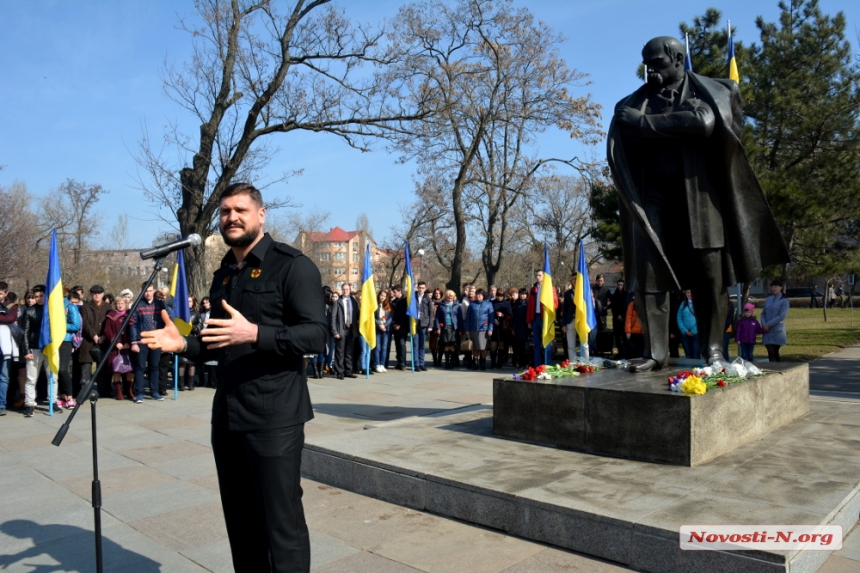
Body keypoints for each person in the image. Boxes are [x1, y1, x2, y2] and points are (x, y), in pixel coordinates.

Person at [140, 182, 327, 573]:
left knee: (282, 525)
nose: (232, 217)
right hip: (228, 416)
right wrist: (183, 345)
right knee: (241, 526)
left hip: (274, 417)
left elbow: (316, 335)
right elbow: (216, 342)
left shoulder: (293, 265)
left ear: (261, 214)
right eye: (225, 212)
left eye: (240, 210)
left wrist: (256, 333)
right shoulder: (224, 273)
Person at [608, 36, 789, 372]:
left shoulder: (707, 93)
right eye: (647, 64)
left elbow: (703, 123)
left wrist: (645, 124)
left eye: (658, 62)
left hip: (701, 198)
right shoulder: (634, 102)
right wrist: (669, 125)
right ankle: (655, 353)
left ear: (678, 58)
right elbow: (629, 133)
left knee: (710, 276)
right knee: (648, 273)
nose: (651, 70)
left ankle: (713, 350)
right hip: (653, 198)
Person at [129, 283, 168, 403]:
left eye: (150, 291)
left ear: (153, 290)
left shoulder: (159, 304)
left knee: (154, 366)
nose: (148, 293)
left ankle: (154, 392)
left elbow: (166, 320)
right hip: (141, 340)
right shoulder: (137, 305)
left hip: (156, 340)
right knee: (140, 367)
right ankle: (139, 393)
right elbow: (132, 324)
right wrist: (134, 342)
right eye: (146, 291)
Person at [18, 285, 48, 417]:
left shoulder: (52, 309)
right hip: (34, 347)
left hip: (50, 347)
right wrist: (26, 350)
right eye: (36, 296)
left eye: (42, 295)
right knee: (31, 378)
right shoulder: (29, 311)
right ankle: (29, 404)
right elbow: (25, 332)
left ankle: (53, 401)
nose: (39, 298)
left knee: (53, 377)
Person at [79, 285, 109, 398]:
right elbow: (85, 323)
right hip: (88, 341)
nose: (97, 295)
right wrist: (94, 336)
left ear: (102, 294)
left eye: (99, 293)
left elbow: (109, 323)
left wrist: (104, 336)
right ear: (91, 294)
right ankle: (85, 393)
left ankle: (104, 390)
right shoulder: (85, 307)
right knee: (86, 368)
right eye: (94, 293)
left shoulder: (108, 307)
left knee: (103, 367)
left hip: (104, 341)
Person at [103, 296, 134, 400]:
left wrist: (129, 342)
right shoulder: (111, 316)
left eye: (122, 303)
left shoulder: (130, 314)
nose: (120, 305)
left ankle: (129, 391)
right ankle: (118, 391)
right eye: (118, 303)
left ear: (125, 304)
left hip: (128, 346)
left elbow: (133, 328)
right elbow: (107, 331)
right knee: (117, 369)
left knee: (130, 369)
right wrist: (116, 342)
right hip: (115, 347)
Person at [526, 270, 558, 367]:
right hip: (535, 318)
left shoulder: (550, 288)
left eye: (540, 275)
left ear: (544, 276)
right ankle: (537, 366)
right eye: (536, 275)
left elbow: (555, 304)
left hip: (545, 318)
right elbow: (530, 306)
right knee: (536, 344)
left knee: (546, 343)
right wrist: (529, 321)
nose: (537, 277)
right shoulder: (533, 289)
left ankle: (547, 365)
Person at [330, 283, 359, 379]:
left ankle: (348, 371)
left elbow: (357, 316)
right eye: (343, 289)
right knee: (340, 352)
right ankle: (340, 372)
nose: (345, 291)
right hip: (341, 330)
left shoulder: (354, 302)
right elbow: (333, 318)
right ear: (341, 290)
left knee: (349, 351)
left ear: (350, 290)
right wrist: (335, 331)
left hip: (351, 329)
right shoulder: (337, 302)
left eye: (347, 289)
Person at [465, 288, 493, 370]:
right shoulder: (472, 304)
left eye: (480, 295)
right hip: (473, 329)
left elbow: (491, 317)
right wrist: (467, 329)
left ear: (483, 296)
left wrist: (490, 329)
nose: (478, 296)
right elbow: (468, 317)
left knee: (483, 347)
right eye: (477, 294)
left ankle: (483, 363)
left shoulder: (488, 304)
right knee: (475, 348)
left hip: (484, 329)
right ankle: (475, 363)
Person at [761, 280, 789, 362]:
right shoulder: (768, 299)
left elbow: (782, 316)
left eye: (776, 287)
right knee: (770, 351)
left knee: (775, 352)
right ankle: (772, 369)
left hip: (777, 330)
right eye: (772, 287)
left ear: (781, 287)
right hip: (767, 331)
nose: (774, 288)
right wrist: (763, 324)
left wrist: (768, 324)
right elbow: (763, 313)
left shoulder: (784, 300)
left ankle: (777, 369)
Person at [178, 295, 201, 391]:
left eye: (190, 301)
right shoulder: (180, 314)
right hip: (182, 339)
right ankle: (181, 384)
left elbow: (200, 327)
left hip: (192, 340)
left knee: (191, 363)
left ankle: (191, 383)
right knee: (182, 363)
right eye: (187, 301)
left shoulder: (197, 314)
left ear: (193, 303)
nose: (188, 303)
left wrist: (192, 327)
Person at [435, 290, 461, 369]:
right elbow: (437, 317)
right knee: (446, 345)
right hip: (445, 327)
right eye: (448, 298)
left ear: (454, 298)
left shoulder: (457, 305)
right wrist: (438, 328)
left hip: (454, 327)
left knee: (452, 345)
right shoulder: (441, 305)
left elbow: (459, 317)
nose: (450, 299)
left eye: (451, 298)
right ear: (445, 297)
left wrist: (460, 329)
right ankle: (446, 362)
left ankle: (452, 362)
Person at [413, 281, 434, 371]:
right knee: (415, 345)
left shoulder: (427, 298)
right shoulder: (412, 297)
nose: (421, 289)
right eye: (419, 287)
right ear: (417, 288)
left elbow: (431, 313)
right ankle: (416, 364)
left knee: (422, 345)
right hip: (414, 323)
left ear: (425, 288)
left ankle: (422, 363)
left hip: (424, 324)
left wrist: (430, 326)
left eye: (422, 288)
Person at [489, 289, 512, 368]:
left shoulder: (506, 303)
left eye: (501, 296)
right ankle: (493, 362)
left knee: (501, 345)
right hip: (494, 325)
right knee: (493, 344)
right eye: (498, 296)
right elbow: (489, 313)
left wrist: (503, 315)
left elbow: (510, 315)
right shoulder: (492, 303)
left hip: (503, 326)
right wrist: (494, 319)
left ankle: (499, 363)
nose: (499, 298)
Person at [390, 285, 408, 370]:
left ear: (400, 291)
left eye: (395, 292)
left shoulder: (405, 301)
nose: (393, 293)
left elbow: (405, 315)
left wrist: (400, 325)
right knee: (397, 345)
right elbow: (393, 314)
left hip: (402, 327)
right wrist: (394, 324)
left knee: (402, 344)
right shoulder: (394, 301)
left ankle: (403, 363)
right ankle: (399, 362)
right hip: (395, 326)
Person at [676, 290, 698, 359]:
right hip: (686, 332)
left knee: (696, 351)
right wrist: (684, 330)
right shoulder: (683, 304)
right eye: (687, 292)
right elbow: (679, 317)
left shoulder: (697, 303)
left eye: (690, 292)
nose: (689, 294)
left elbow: (701, 319)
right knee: (688, 352)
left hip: (696, 333)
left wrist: (694, 330)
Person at [374, 290, 393, 373]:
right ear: (378, 296)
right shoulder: (375, 306)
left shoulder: (388, 306)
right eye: (381, 295)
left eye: (384, 296)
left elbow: (391, 318)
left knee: (384, 347)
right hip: (378, 329)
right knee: (377, 347)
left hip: (386, 329)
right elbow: (373, 317)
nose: (382, 297)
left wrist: (385, 326)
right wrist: (379, 324)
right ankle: (377, 364)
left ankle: (382, 364)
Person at [561, 273, 578, 361]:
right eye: (572, 279)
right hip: (570, 320)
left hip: (581, 321)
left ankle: (585, 364)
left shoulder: (585, 292)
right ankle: (573, 362)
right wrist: (564, 324)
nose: (574, 280)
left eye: (576, 278)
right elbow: (565, 309)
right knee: (571, 345)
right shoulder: (568, 293)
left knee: (584, 344)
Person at [511, 288, 530, 368]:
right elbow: (514, 317)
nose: (522, 296)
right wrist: (513, 328)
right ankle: (520, 363)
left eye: (524, 294)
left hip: (526, 325)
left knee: (526, 346)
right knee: (519, 346)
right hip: (518, 325)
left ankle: (527, 363)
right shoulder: (516, 304)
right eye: (521, 294)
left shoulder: (528, 303)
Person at [609, 279, 628, 358]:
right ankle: (619, 351)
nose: (620, 286)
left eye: (621, 285)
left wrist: (622, 316)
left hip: (624, 319)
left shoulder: (626, 295)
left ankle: (625, 352)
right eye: (619, 285)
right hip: (616, 319)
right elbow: (613, 307)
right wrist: (617, 315)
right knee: (617, 336)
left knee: (624, 336)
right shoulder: (615, 295)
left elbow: (626, 307)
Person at [428, 287, 443, 367]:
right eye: (436, 293)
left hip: (441, 325)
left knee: (441, 343)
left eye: (439, 293)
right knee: (433, 343)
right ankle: (435, 359)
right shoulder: (431, 302)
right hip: (432, 325)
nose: (437, 295)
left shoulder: (443, 303)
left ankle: (440, 359)